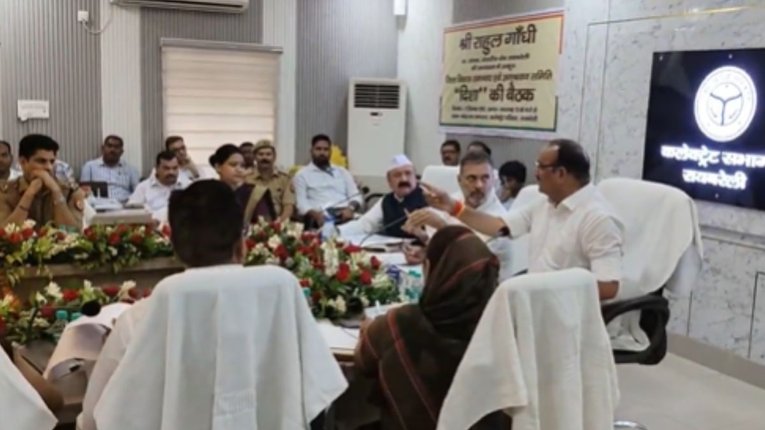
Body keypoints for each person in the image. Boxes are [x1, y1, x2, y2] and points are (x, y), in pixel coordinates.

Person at [86, 180, 347, 430]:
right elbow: (320, 393)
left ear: (175, 248)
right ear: (241, 245)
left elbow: (95, 418)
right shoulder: (281, 292)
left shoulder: (139, 319)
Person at [413, 139, 624, 300]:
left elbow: (608, 287)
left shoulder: (597, 218)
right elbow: (498, 226)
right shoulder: (545, 203)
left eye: (540, 166)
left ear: (560, 173)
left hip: (565, 313)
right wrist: (453, 207)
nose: (536, 173)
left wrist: (546, 291)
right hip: (533, 301)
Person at [354, 226, 509, 429]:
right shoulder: (504, 331)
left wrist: (369, 330)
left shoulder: (401, 323)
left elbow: (363, 362)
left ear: (429, 269)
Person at [404, 151, 514, 280]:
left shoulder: (500, 221)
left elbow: (469, 259)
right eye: (471, 178)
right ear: (459, 180)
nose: (479, 185)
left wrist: (441, 227)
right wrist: (426, 251)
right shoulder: (453, 201)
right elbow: (446, 251)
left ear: (493, 180)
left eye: (485, 178)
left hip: (483, 286)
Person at [0, 134, 84, 229]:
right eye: (41, 161)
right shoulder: (5, 192)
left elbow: (73, 232)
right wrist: (29, 194)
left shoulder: (70, 192)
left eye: (52, 162)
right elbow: (4, 233)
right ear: (23, 162)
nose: (49, 167)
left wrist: (56, 192)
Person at [341, 154, 427, 239]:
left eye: (408, 173)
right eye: (397, 175)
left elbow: (433, 237)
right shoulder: (386, 200)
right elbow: (366, 224)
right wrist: (337, 232)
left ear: (415, 178)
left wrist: (420, 234)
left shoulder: (427, 198)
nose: (404, 179)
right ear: (389, 182)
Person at [293, 134, 362, 227]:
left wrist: (350, 208)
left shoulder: (342, 171)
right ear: (311, 151)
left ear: (330, 152)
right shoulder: (302, 175)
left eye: (326, 149)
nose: (322, 153)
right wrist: (316, 215)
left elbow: (356, 196)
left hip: (346, 213)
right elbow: (301, 205)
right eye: (318, 149)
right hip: (322, 216)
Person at [243, 139, 295, 224]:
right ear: (255, 157)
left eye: (268, 154)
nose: (264, 157)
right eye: (261, 154)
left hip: (279, 223)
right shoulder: (246, 178)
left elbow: (288, 206)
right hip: (252, 224)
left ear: (274, 157)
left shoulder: (285, 179)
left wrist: (279, 224)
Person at [127, 151, 189, 222]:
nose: (171, 172)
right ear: (157, 168)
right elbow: (131, 212)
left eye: (175, 168)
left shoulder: (186, 186)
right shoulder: (143, 187)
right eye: (166, 168)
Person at [80, 135, 141, 203]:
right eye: (109, 146)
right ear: (102, 148)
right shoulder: (89, 167)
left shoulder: (131, 170)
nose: (112, 150)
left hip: (124, 204)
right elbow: (83, 192)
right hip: (98, 205)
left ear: (121, 152)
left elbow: (138, 193)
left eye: (116, 147)